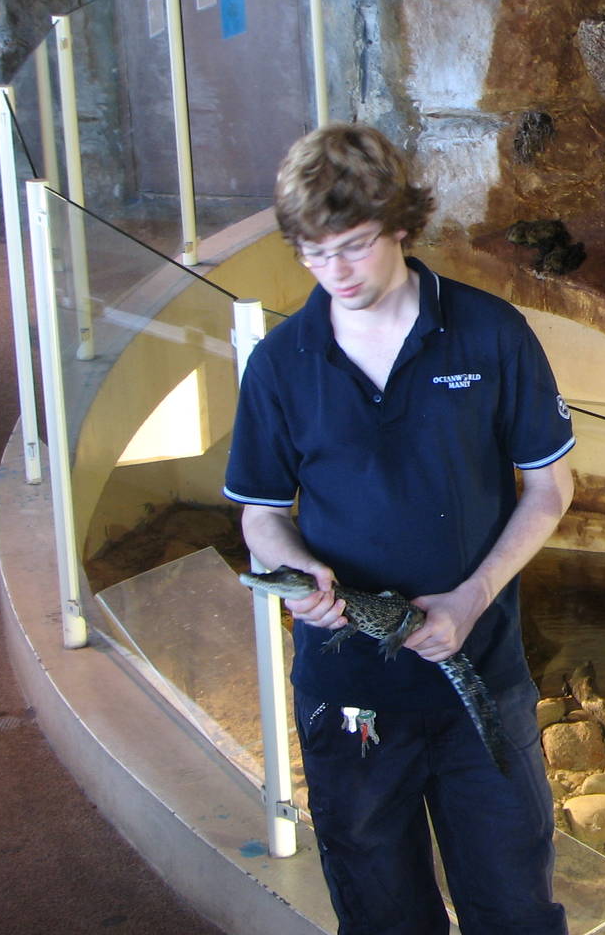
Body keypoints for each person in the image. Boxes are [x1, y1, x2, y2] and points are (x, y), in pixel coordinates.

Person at [224, 123, 574, 935]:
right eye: (313, 253)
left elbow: (550, 489)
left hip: (481, 679)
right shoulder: (280, 363)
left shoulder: (491, 333)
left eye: (351, 247)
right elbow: (261, 515)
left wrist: (471, 599)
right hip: (347, 698)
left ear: (402, 227)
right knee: (383, 918)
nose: (334, 273)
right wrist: (295, 571)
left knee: (517, 911)